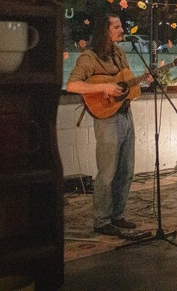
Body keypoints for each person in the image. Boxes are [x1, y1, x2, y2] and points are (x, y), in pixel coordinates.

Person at [66, 13, 151, 237]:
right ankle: (101, 220)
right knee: (107, 172)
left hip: (125, 115)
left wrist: (144, 79)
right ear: (105, 30)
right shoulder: (89, 56)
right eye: (116, 26)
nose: (121, 29)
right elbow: (73, 85)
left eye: (121, 25)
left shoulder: (120, 53)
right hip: (106, 119)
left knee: (126, 170)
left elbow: (126, 84)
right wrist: (103, 87)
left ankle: (117, 215)